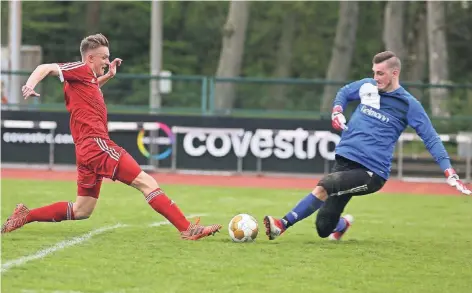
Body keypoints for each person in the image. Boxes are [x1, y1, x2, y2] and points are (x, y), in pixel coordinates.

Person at [1, 33, 222, 240]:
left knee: (82, 210)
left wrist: (108, 76)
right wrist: (29, 85)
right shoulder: (79, 68)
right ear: (90, 58)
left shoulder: (86, 79)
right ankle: (188, 229)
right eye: (104, 58)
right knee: (146, 182)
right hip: (96, 144)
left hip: (85, 149)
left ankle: (25, 215)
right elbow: (45, 67)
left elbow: (91, 88)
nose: (107, 61)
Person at [263, 51, 471, 241]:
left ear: (394, 73)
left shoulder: (408, 104)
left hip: (371, 172)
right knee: (323, 227)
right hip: (344, 162)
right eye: (374, 72)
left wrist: (449, 171)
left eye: (381, 73)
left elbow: (431, 138)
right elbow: (344, 92)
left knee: (325, 184)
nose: (376, 78)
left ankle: (281, 224)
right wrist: (337, 110)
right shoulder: (367, 86)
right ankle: (342, 224)